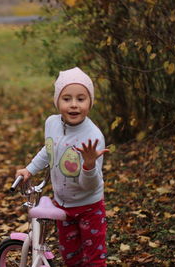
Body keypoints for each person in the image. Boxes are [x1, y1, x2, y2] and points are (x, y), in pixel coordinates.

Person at [16, 67, 109, 266]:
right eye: (67, 99)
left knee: (94, 258)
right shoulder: (52, 123)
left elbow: (90, 186)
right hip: (63, 205)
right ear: (57, 101)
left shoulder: (93, 137)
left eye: (81, 99)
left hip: (89, 207)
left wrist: (89, 165)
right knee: (71, 257)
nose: (74, 105)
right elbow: (48, 149)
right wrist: (30, 169)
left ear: (90, 102)